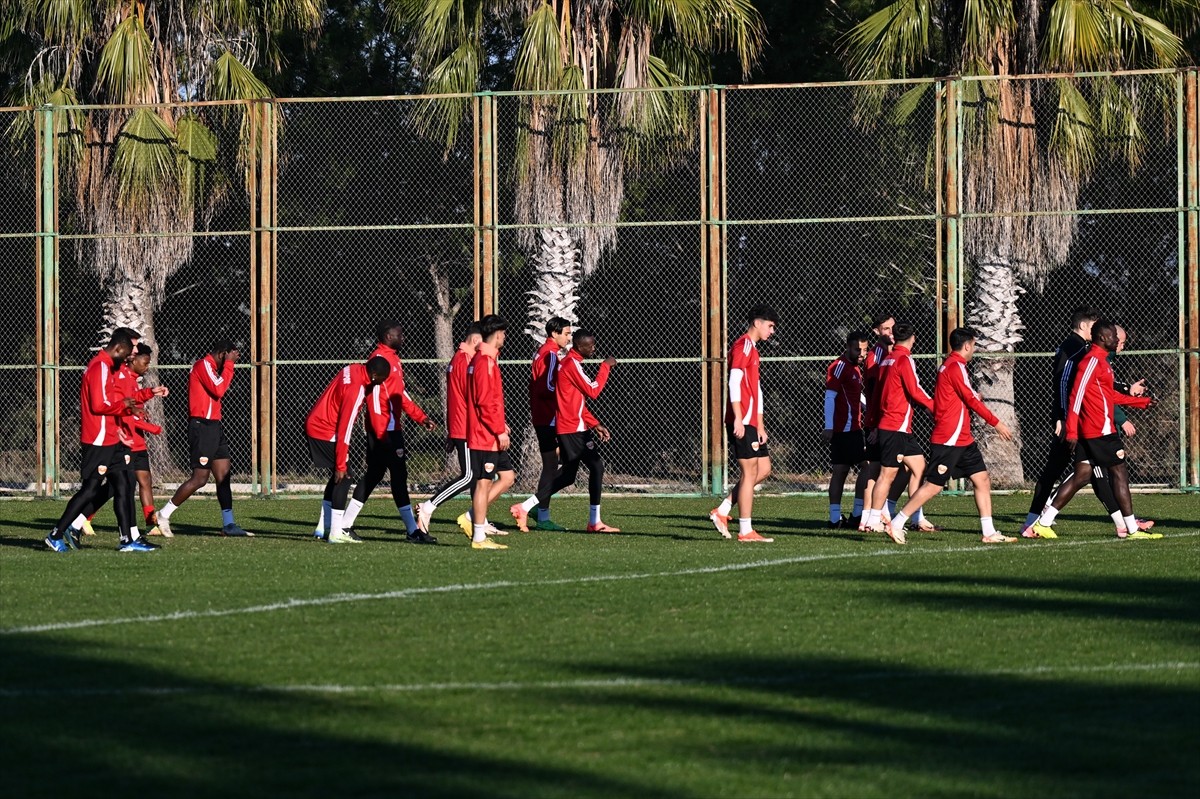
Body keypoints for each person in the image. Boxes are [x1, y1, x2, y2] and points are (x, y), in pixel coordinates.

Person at [1030, 320, 1159, 540]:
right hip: (1098, 431)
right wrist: (1071, 430)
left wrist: (1141, 402)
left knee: (1081, 475)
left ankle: (1043, 522)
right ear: (1101, 338)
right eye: (1113, 336)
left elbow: (1108, 396)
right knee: (1119, 474)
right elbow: (1076, 396)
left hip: (1096, 430)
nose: (1117, 340)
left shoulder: (1103, 362)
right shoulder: (1091, 361)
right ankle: (1131, 529)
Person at [887, 328, 1016, 544]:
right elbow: (971, 401)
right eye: (973, 345)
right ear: (967, 346)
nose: (973, 349)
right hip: (949, 438)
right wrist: (997, 423)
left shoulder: (954, 366)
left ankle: (989, 532)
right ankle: (898, 522)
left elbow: (962, 395)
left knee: (982, 479)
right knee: (934, 486)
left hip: (963, 439)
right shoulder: (955, 366)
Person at [45, 330, 164, 552]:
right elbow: (99, 405)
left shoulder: (109, 368)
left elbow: (113, 401)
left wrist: (121, 425)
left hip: (111, 437)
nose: (132, 356)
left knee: (124, 484)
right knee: (90, 489)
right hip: (98, 439)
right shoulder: (99, 367)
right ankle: (58, 532)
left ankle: (128, 540)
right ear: (119, 348)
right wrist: (126, 405)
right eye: (131, 351)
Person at [335, 321, 438, 544]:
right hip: (385, 431)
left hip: (388, 429)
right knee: (398, 477)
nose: (403, 336)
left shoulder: (392, 357)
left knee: (374, 475)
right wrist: (381, 434)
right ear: (387, 336)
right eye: (399, 334)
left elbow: (400, 394)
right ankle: (412, 531)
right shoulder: (380, 360)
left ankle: (344, 524)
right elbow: (373, 402)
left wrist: (421, 417)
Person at [511, 329, 618, 532]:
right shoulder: (571, 365)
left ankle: (525, 507)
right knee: (596, 466)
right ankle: (594, 522)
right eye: (591, 344)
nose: (594, 348)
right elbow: (594, 390)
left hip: (575, 427)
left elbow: (575, 403)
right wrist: (605, 367)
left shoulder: (571, 364)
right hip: (573, 430)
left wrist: (595, 424)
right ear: (579, 346)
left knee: (569, 476)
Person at [418, 323, 507, 535]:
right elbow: (475, 399)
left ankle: (480, 520)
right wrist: (496, 425)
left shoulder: (460, 359)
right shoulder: (467, 361)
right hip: (469, 429)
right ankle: (427, 507)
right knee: (470, 476)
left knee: (498, 476)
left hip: (470, 427)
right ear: (477, 341)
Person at [156, 339, 250, 537]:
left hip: (214, 426)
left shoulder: (213, 369)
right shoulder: (203, 365)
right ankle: (163, 515)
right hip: (202, 427)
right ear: (223, 353)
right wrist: (230, 365)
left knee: (223, 477)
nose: (236, 357)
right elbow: (219, 389)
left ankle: (229, 524)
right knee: (200, 479)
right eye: (233, 354)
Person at [1022, 306, 1103, 534]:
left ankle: (1124, 521)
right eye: (1094, 326)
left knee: (1089, 472)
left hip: (1075, 420)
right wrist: (1061, 417)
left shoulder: (1079, 347)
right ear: (1085, 325)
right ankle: (1033, 521)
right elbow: (1062, 383)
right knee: (1060, 471)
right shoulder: (1074, 348)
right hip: (1071, 422)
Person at [709, 304, 779, 543]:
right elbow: (733, 382)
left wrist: (760, 424)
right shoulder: (743, 346)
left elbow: (756, 390)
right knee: (749, 473)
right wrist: (738, 417)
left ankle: (724, 510)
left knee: (764, 469)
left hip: (751, 422)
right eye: (770, 326)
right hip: (742, 420)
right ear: (757, 323)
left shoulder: (754, 350)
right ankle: (746, 530)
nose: (772, 331)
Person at [858, 314, 934, 532]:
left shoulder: (889, 359)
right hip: (894, 426)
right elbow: (915, 390)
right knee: (886, 474)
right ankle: (873, 519)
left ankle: (914, 517)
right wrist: (935, 407)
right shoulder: (902, 359)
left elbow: (879, 395)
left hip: (899, 427)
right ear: (913, 338)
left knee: (919, 467)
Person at [305, 357, 391, 544]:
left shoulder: (353, 369)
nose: (382, 383)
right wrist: (341, 463)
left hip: (318, 423)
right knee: (344, 476)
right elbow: (345, 429)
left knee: (336, 478)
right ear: (374, 375)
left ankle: (324, 527)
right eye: (382, 379)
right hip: (324, 430)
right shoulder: (357, 390)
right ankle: (336, 531)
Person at [466, 314, 515, 550]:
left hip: (484, 433)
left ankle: (478, 533)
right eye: (504, 333)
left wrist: (500, 424)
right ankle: (478, 536)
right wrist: (499, 431)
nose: (505, 337)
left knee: (485, 482)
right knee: (483, 483)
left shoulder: (484, 359)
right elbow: (484, 402)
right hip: (484, 435)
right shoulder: (484, 361)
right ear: (497, 335)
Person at [526, 316, 573, 531]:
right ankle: (540, 512)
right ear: (554, 334)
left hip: (543, 417)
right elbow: (547, 388)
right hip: (549, 418)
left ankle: (539, 508)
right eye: (566, 333)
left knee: (552, 466)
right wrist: (567, 394)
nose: (569, 337)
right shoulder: (551, 355)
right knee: (555, 467)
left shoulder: (542, 352)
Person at [824, 332, 870, 528]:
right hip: (847, 429)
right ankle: (857, 514)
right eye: (857, 349)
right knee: (868, 467)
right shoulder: (840, 366)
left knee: (840, 471)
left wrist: (867, 406)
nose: (861, 353)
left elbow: (853, 395)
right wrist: (828, 426)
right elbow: (829, 397)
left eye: (865, 349)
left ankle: (835, 519)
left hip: (850, 428)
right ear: (848, 347)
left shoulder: (855, 369)